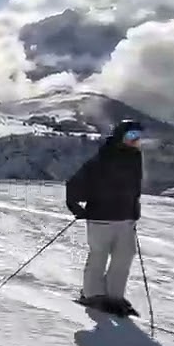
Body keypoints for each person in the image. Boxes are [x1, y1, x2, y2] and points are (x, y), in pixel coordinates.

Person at [65, 119, 144, 314]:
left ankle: (114, 297)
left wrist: (135, 209)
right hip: (101, 217)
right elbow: (75, 183)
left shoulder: (135, 157)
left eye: (138, 137)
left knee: (124, 257)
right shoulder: (104, 158)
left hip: (126, 218)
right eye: (131, 136)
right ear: (120, 136)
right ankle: (92, 295)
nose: (135, 141)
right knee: (99, 255)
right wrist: (75, 206)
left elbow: (135, 186)